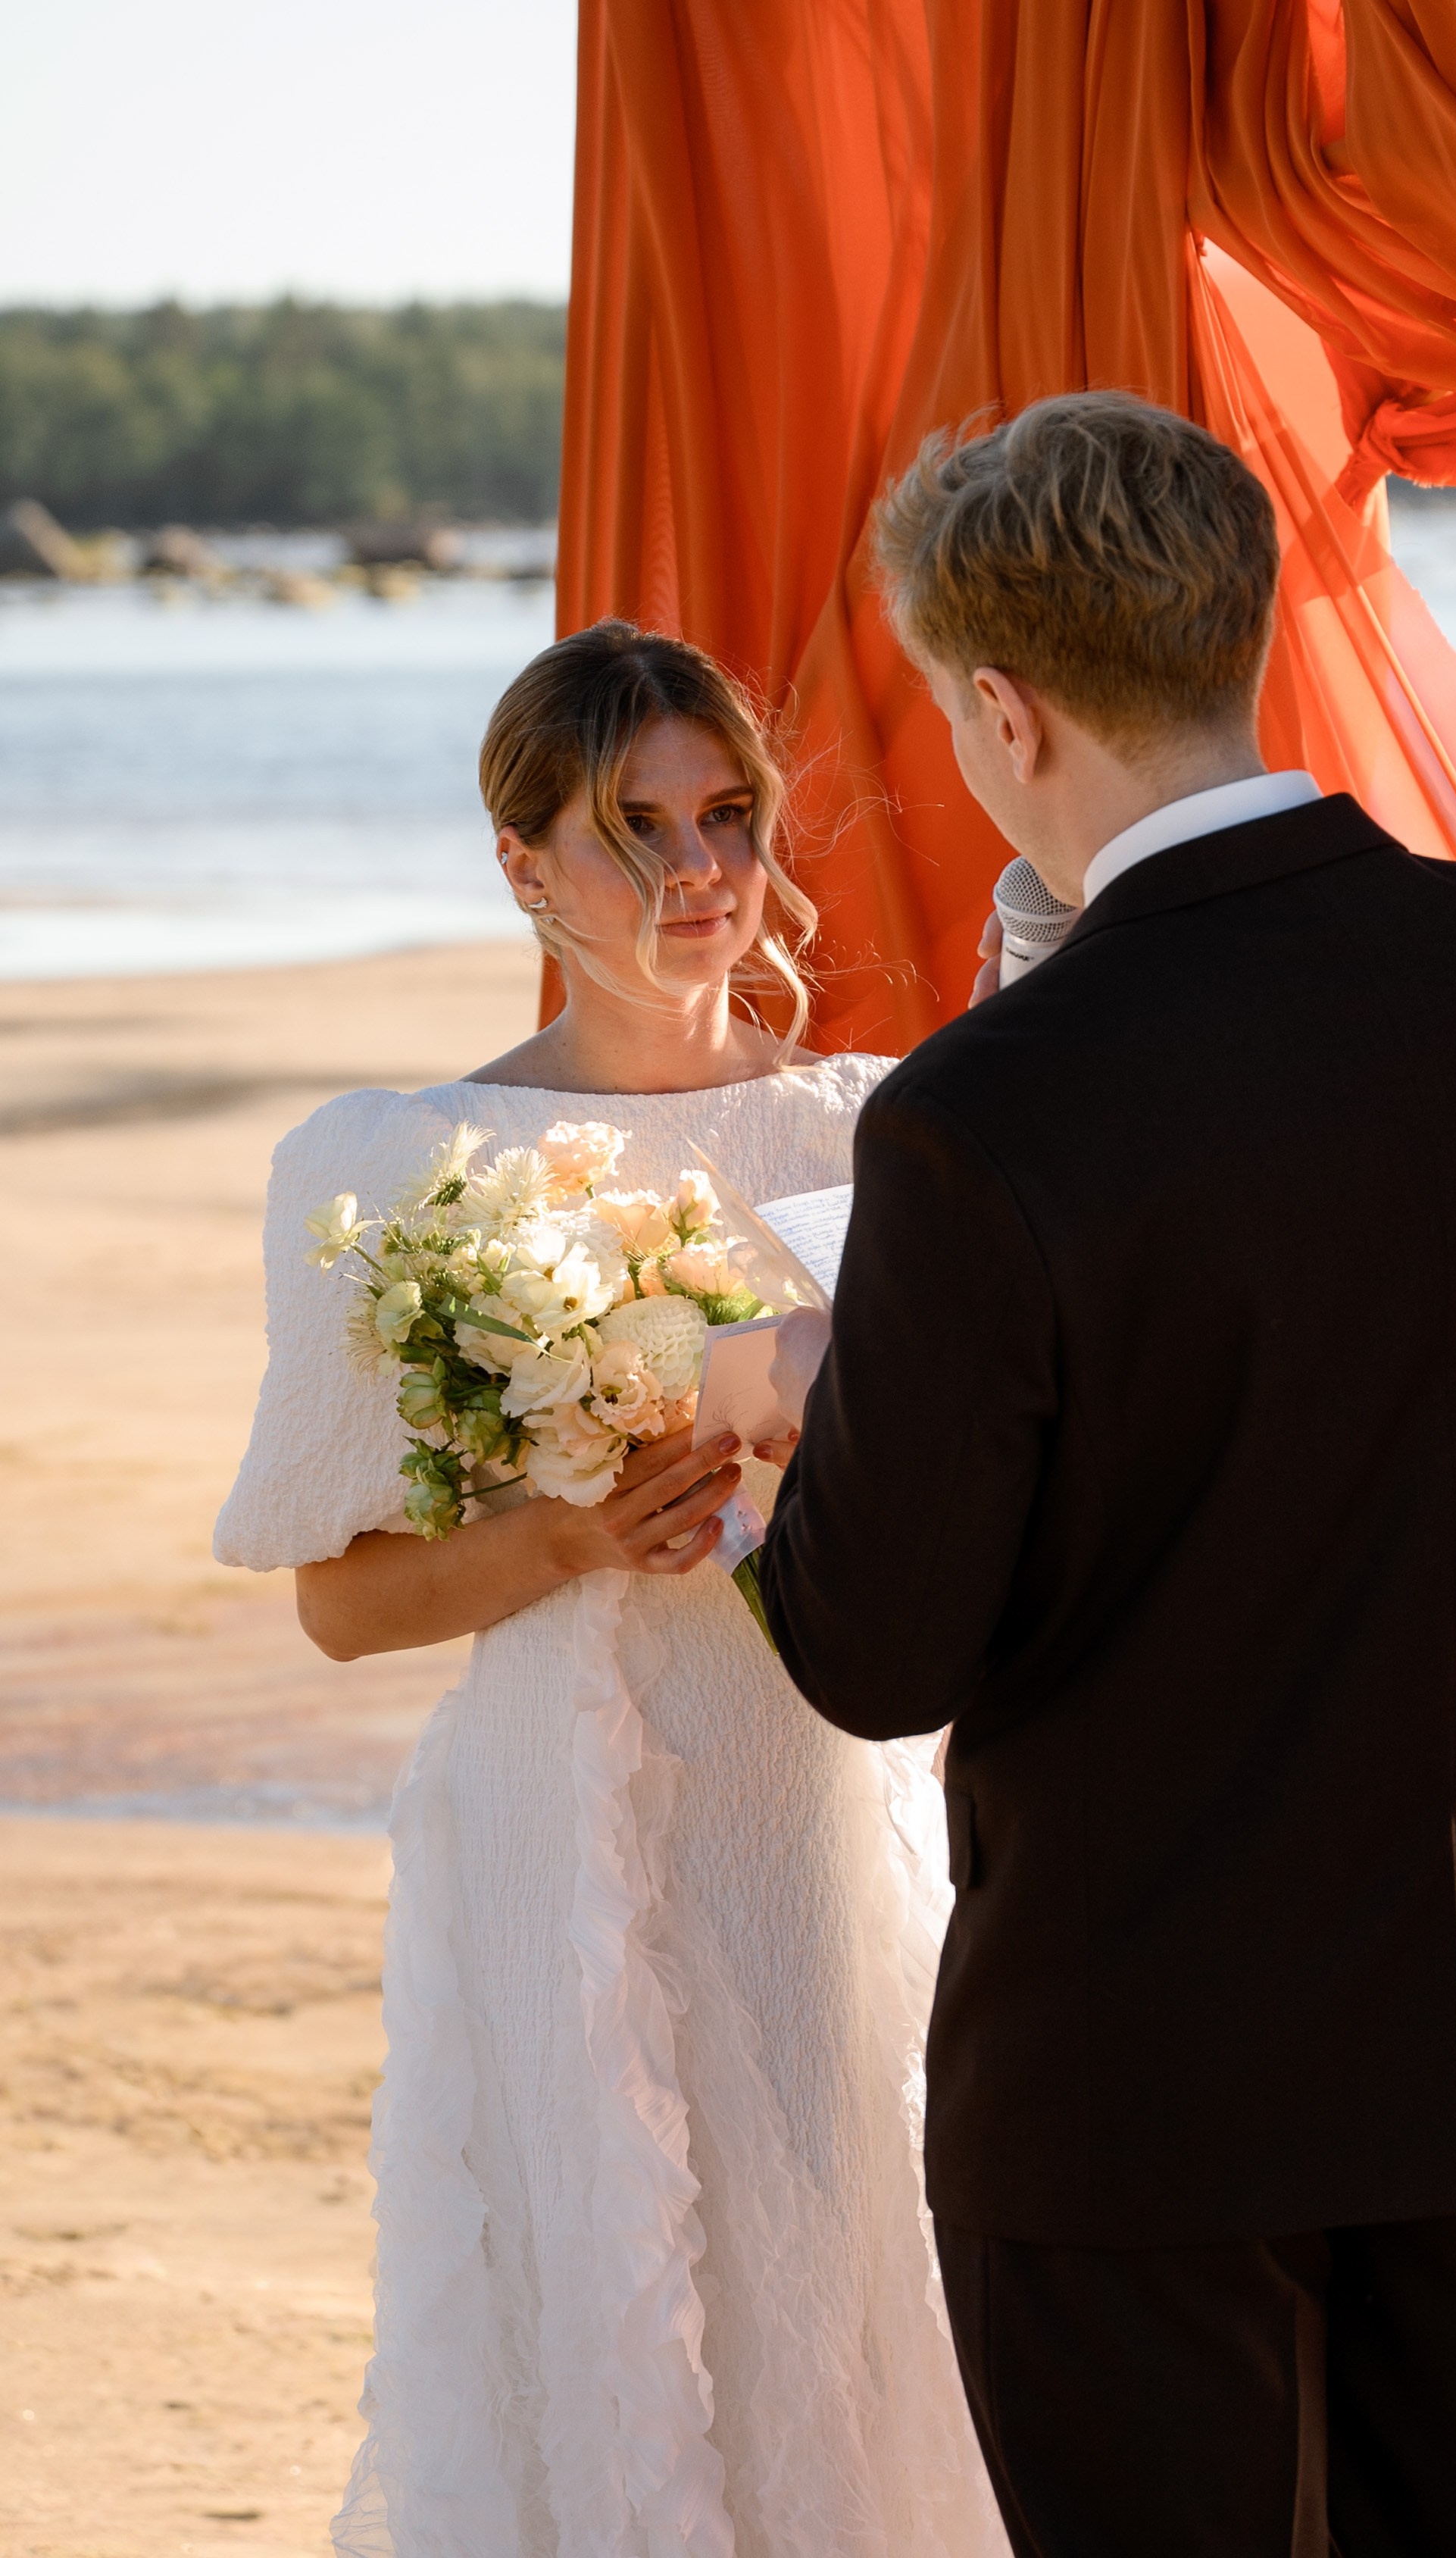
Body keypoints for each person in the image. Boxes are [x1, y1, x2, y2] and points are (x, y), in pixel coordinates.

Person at [759, 394, 1456, 2556]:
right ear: (1230, 626)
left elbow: (877, 1653)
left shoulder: (986, 1112)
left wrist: (803, 1403)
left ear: (1005, 708)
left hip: (1134, 2075)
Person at [215, 621, 1004, 2558]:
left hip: (812, 1794)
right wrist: (569, 1533)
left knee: (846, 2272)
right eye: (634, 826)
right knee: (586, 2295)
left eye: (727, 813)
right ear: (523, 864)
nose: (699, 869)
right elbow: (341, 1604)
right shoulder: (401, 1165)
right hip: (543, 1824)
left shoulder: (875, 1133)